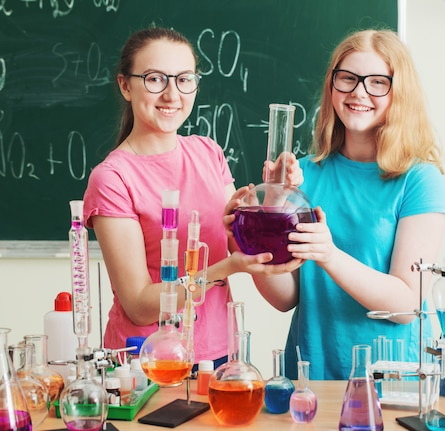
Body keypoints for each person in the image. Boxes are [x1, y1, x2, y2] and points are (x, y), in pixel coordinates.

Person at [226, 29, 445, 380]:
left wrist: (329, 255)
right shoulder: (301, 176)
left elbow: (407, 305)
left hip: (391, 383)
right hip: (311, 377)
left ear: (399, 93)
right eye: (347, 79)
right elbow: (286, 297)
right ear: (332, 87)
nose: (359, 92)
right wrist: (249, 239)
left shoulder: (420, 180)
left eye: (377, 82)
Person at [83, 27, 303, 369]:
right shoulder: (112, 178)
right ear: (125, 85)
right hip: (146, 361)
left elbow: (278, 291)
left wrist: (271, 206)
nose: (172, 94)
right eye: (155, 79)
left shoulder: (208, 153)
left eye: (184, 79)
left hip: (218, 356)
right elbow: (139, 305)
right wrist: (226, 269)